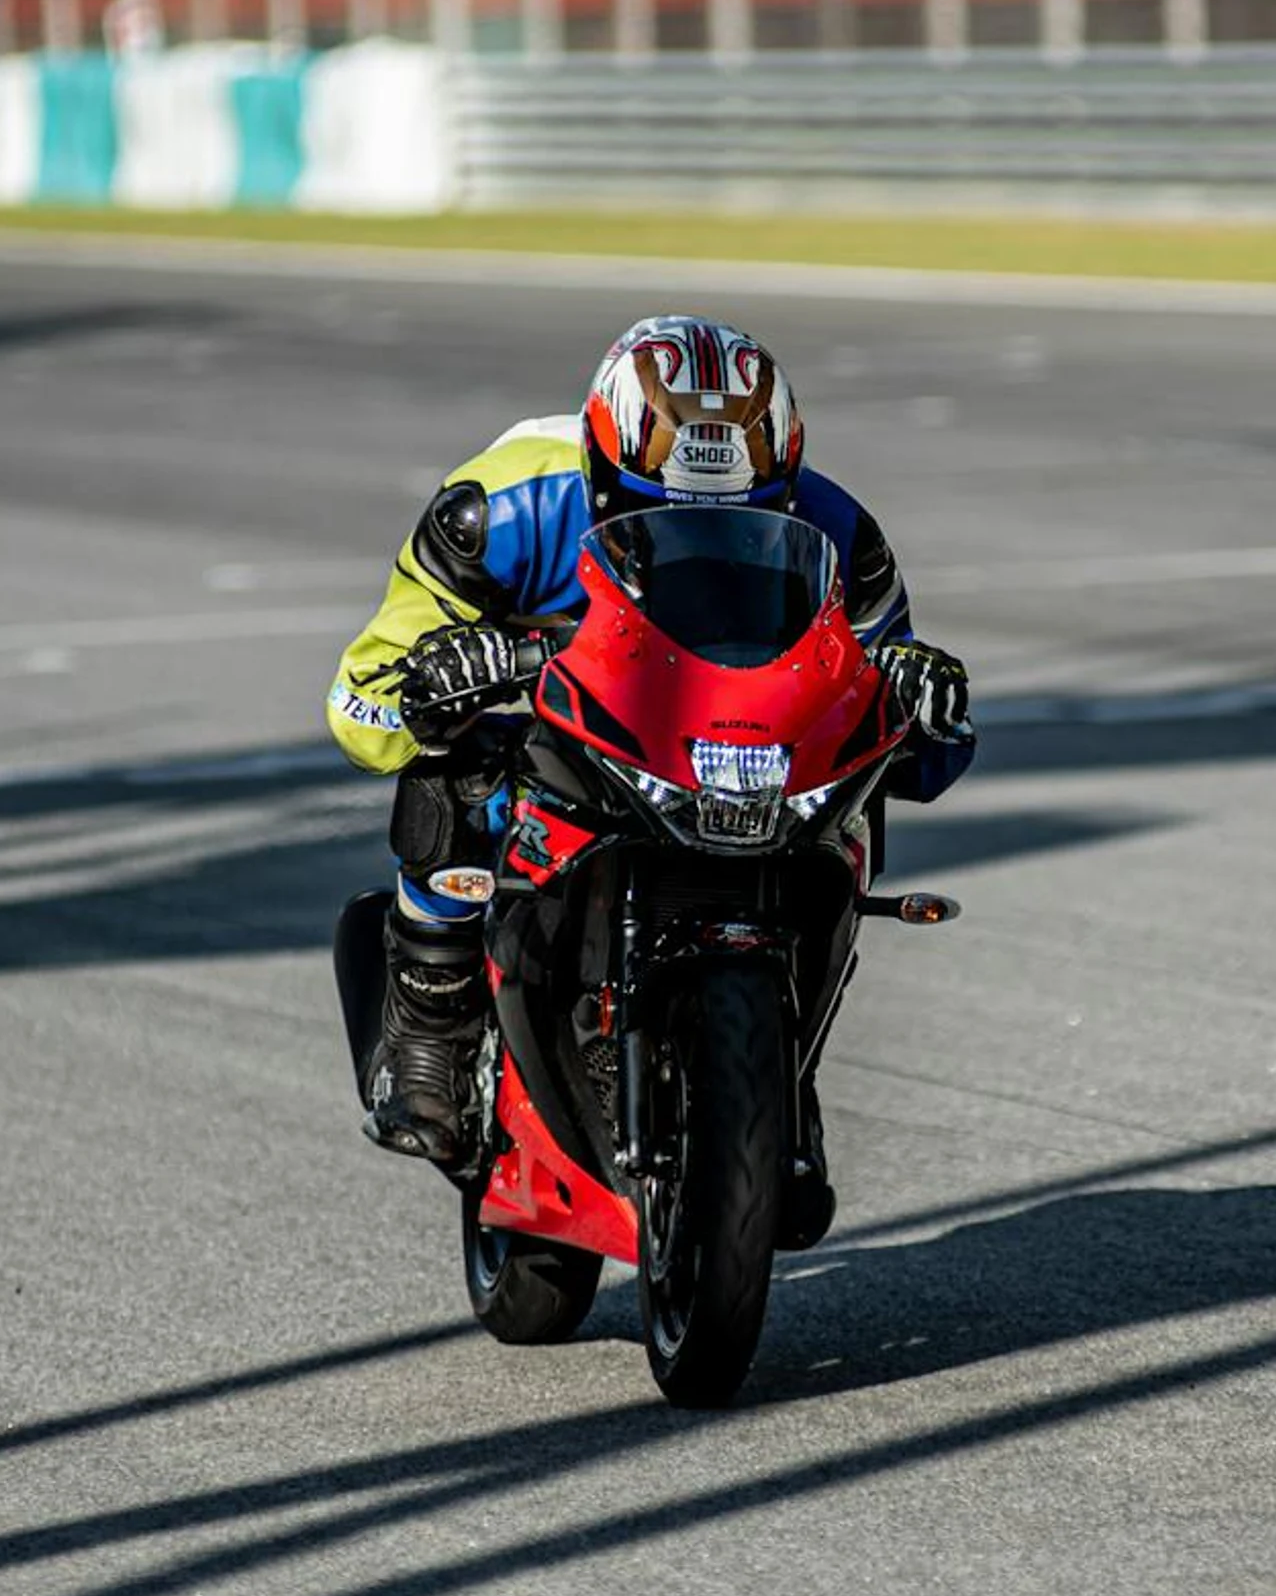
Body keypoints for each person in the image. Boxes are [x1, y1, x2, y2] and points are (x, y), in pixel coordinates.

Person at [324, 314, 976, 1188]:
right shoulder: (499, 512)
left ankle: (790, 1063)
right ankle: (428, 1026)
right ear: (601, 470)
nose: (695, 543)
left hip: (737, 747)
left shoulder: (839, 535)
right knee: (457, 768)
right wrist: (440, 676)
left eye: (740, 523)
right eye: (654, 515)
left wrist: (921, 697)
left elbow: (919, 749)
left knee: (854, 803)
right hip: (568, 726)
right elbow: (359, 703)